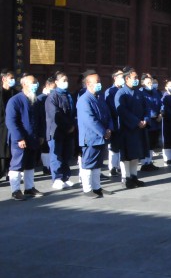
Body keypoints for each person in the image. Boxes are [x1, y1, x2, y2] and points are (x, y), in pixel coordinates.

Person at [5, 74, 45, 200]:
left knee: (30, 164)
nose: (35, 85)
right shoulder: (15, 100)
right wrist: (19, 138)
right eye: (33, 82)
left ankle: (29, 188)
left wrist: (41, 135)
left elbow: (41, 119)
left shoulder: (36, 100)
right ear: (24, 84)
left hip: (33, 138)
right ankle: (15, 190)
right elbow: (11, 121)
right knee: (17, 164)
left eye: (36, 82)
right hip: (20, 139)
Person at [76, 70, 113, 198]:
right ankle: (87, 189)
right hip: (91, 137)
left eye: (99, 81)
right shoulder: (84, 100)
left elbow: (108, 115)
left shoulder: (99, 98)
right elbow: (90, 120)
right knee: (88, 164)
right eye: (96, 82)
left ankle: (97, 188)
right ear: (88, 84)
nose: (99, 84)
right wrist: (103, 132)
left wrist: (109, 129)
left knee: (97, 164)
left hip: (101, 137)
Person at [114, 68, 148, 189]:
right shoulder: (121, 93)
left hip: (139, 128)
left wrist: (145, 119)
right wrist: (136, 121)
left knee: (136, 154)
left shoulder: (139, 93)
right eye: (135, 78)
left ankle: (134, 176)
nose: (137, 80)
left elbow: (146, 108)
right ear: (127, 78)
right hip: (127, 128)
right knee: (126, 155)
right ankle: (126, 177)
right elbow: (122, 111)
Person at [45, 71, 77, 190]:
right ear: (56, 82)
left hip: (68, 131)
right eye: (63, 80)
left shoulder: (68, 95)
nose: (66, 82)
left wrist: (73, 125)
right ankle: (57, 178)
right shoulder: (52, 97)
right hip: (56, 131)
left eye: (67, 80)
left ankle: (65, 177)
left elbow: (73, 112)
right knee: (56, 155)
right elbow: (56, 115)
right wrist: (68, 126)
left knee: (66, 154)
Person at [103, 70, 124, 178]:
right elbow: (109, 108)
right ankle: (112, 167)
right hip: (115, 122)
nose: (123, 79)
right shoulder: (110, 91)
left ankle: (119, 166)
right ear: (115, 78)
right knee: (114, 146)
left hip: (123, 122)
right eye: (121, 77)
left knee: (121, 145)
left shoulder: (124, 90)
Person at [139, 74, 162, 172]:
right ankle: (145, 163)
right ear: (143, 83)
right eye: (148, 82)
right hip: (148, 121)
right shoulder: (141, 93)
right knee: (146, 143)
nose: (151, 84)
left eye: (151, 82)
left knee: (153, 143)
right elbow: (144, 106)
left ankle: (150, 161)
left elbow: (161, 103)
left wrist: (161, 114)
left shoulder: (155, 92)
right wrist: (151, 115)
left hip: (156, 121)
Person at [36, 77, 56, 177]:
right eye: (53, 87)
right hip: (43, 125)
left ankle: (49, 166)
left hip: (52, 126)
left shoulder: (55, 96)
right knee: (45, 148)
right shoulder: (40, 98)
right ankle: (46, 166)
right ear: (47, 86)